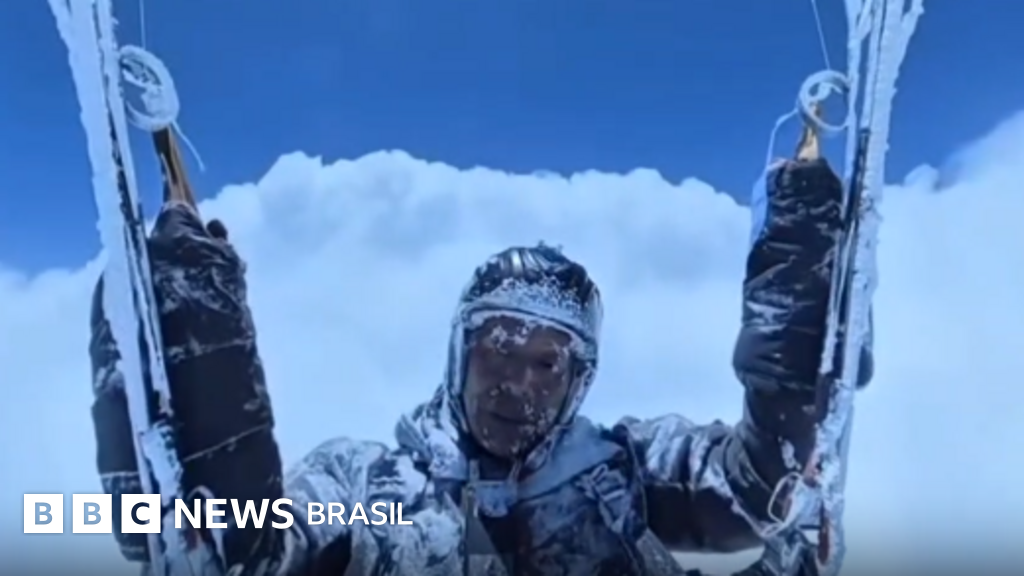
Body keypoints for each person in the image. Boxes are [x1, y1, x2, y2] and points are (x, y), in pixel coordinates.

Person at [88, 146, 872, 576]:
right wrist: (202, 331)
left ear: (578, 382)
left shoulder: (622, 470)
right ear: (460, 351)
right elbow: (247, 551)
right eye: (499, 348)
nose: (517, 384)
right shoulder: (367, 487)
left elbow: (753, 491)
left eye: (547, 364)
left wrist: (795, 296)